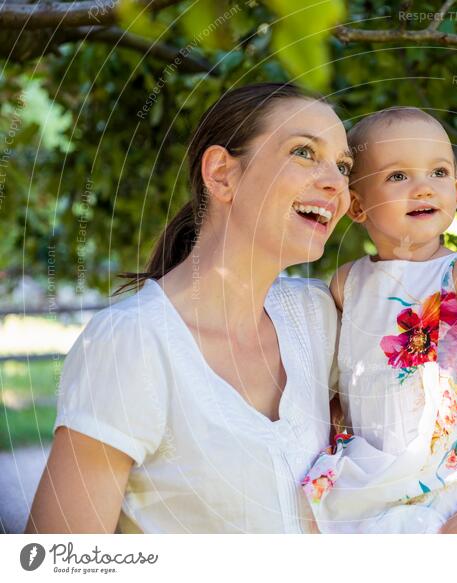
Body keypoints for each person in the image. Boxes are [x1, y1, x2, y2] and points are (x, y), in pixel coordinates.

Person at [25, 83, 353, 533]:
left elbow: (443, 373)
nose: (336, 183)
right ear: (221, 173)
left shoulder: (318, 318)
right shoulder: (132, 343)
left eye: (344, 165)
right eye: (304, 152)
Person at [301, 107, 457, 533]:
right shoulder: (348, 283)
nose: (423, 188)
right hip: (366, 475)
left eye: (438, 172)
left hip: (439, 481)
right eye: (398, 176)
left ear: (456, 191)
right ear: (358, 206)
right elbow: (340, 377)